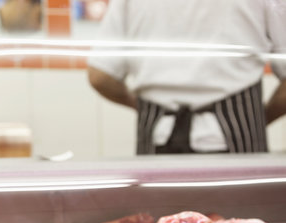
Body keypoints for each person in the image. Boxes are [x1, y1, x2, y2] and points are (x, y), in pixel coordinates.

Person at [87, 0, 286, 154]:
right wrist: (258, 119)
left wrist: (143, 109)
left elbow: (100, 76)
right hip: (239, 139)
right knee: (244, 208)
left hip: (157, 137)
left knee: (160, 208)